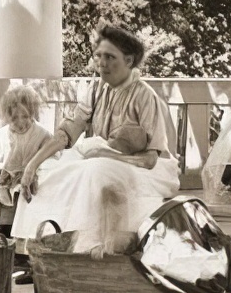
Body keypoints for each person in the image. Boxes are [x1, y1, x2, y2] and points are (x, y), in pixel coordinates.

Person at [14, 24, 181, 258]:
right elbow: (68, 132)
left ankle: (84, 248)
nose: (101, 63)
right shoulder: (97, 88)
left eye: (110, 57)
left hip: (148, 169)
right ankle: (42, 252)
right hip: (104, 158)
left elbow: (151, 159)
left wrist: (107, 155)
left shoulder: (145, 96)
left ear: (129, 61)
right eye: (98, 56)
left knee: (93, 170)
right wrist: (32, 165)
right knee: (48, 169)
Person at [0, 85, 54, 235]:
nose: (20, 123)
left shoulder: (43, 135)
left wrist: (35, 170)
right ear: (7, 117)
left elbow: (53, 158)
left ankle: (17, 232)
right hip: (5, 181)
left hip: (30, 179)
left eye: (25, 117)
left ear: (33, 114)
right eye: (14, 118)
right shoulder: (3, 134)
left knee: (26, 195)